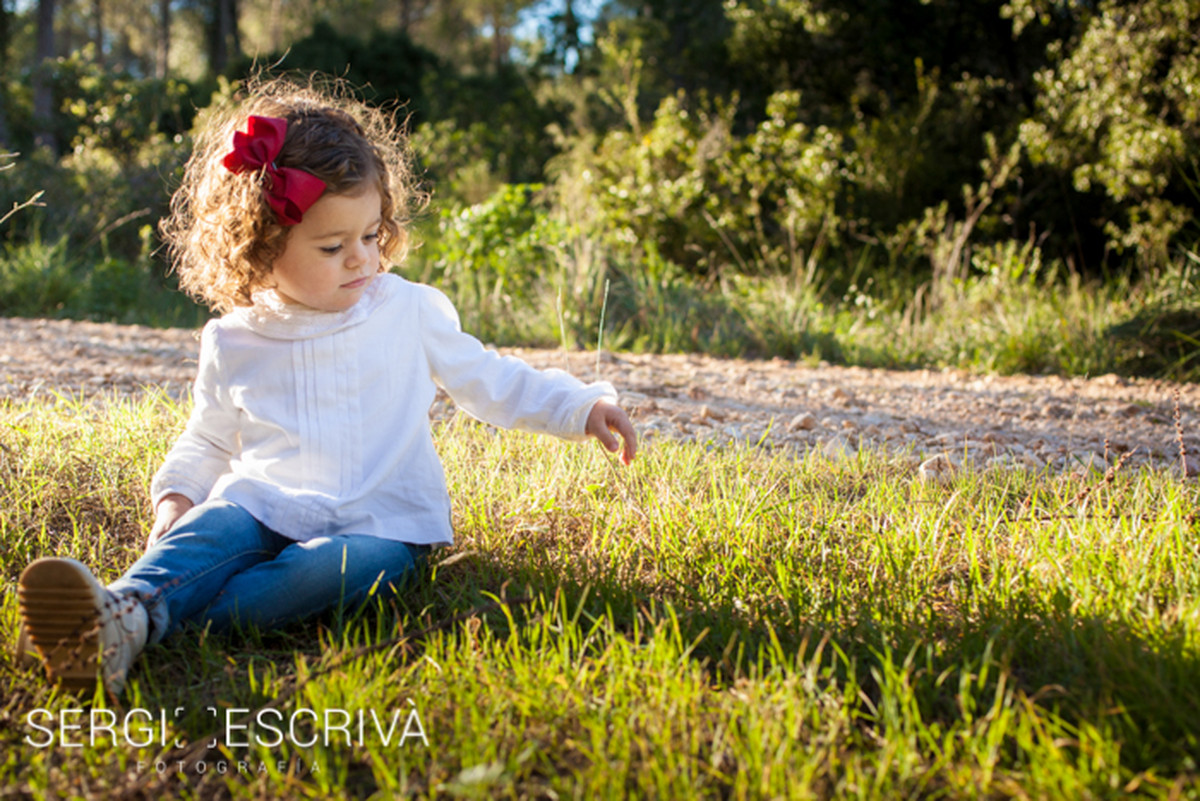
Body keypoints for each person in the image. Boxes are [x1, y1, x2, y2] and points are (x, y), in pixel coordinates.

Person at [16, 76, 637, 697]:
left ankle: (141, 627)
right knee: (214, 530)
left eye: (371, 236)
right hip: (267, 503)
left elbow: (492, 380)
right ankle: (124, 606)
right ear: (261, 248)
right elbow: (206, 440)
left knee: (325, 573)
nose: (363, 260)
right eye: (334, 246)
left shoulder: (406, 309)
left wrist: (579, 405)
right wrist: (176, 499)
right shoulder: (234, 340)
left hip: (383, 525)